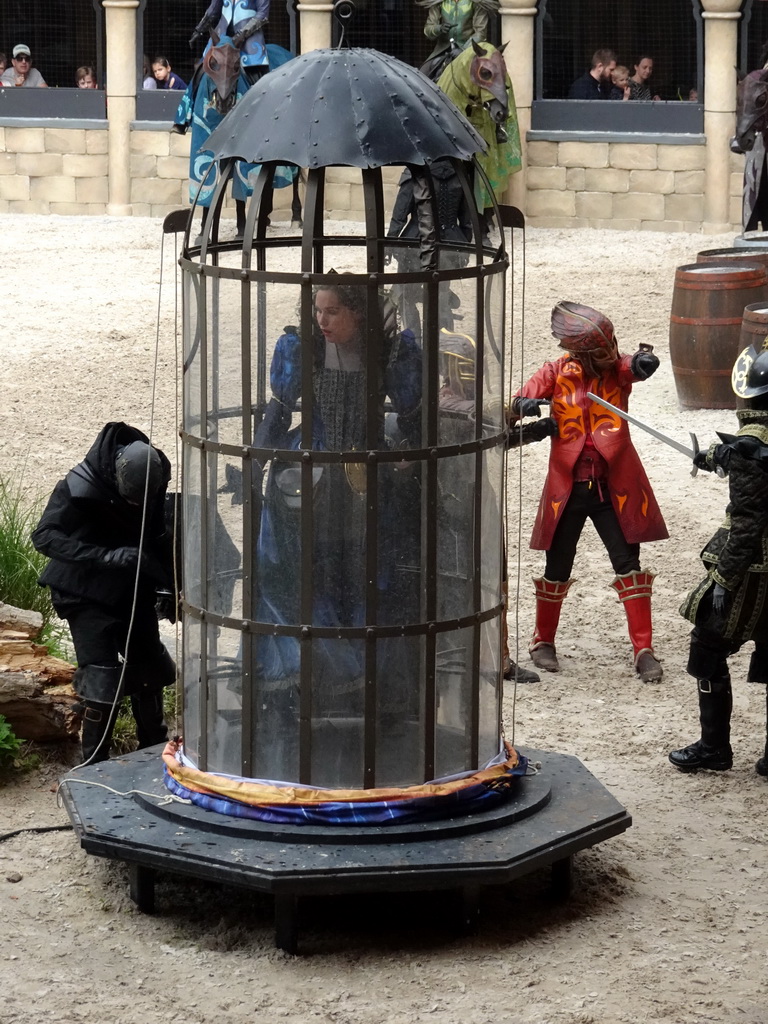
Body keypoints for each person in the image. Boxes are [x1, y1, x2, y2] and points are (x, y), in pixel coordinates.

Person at [252, 285, 422, 717]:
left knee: (366, 572)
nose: (322, 321)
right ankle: (301, 674)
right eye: (317, 311)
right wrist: (254, 464)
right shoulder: (300, 347)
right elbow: (278, 410)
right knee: (293, 567)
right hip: (309, 468)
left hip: (369, 469)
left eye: (333, 311)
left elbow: (413, 418)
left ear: (359, 314)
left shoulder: (391, 353)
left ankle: (367, 683)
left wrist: (416, 458)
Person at [511, 301, 668, 683]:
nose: (607, 354)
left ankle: (643, 648)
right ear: (577, 352)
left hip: (613, 488)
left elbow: (633, 365)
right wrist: (526, 403)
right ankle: (542, 641)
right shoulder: (555, 371)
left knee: (629, 564)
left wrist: (645, 361)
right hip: (568, 488)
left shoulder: (616, 370)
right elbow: (515, 402)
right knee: (557, 565)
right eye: (597, 350)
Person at [31, 423, 177, 764]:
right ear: (115, 475)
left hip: (131, 585)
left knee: (150, 670)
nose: (134, 505)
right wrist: (104, 556)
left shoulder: (154, 478)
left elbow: (157, 535)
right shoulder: (80, 484)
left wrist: (167, 584)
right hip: (84, 589)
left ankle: (156, 752)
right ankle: (93, 763)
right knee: (102, 678)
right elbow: (44, 537)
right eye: (129, 499)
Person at [669, 348, 768, 777]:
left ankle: (714, 749)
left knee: (707, 644)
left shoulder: (752, 448)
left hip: (756, 569)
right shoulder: (752, 449)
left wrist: (725, 579)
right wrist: (717, 457)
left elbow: (747, 522)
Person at [189, 0, 271, 85]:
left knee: (256, 76)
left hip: (249, 39)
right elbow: (213, 9)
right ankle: (191, 96)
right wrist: (199, 30)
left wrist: (242, 33)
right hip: (221, 36)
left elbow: (262, 14)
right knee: (202, 69)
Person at [418, 0, 499, 79]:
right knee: (422, 75)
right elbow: (428, 30)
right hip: (443, 50)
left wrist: (463, 49)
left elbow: (480, 33)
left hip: (470, 50)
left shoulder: (477, 3)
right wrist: (438, 28)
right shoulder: (439, 3)